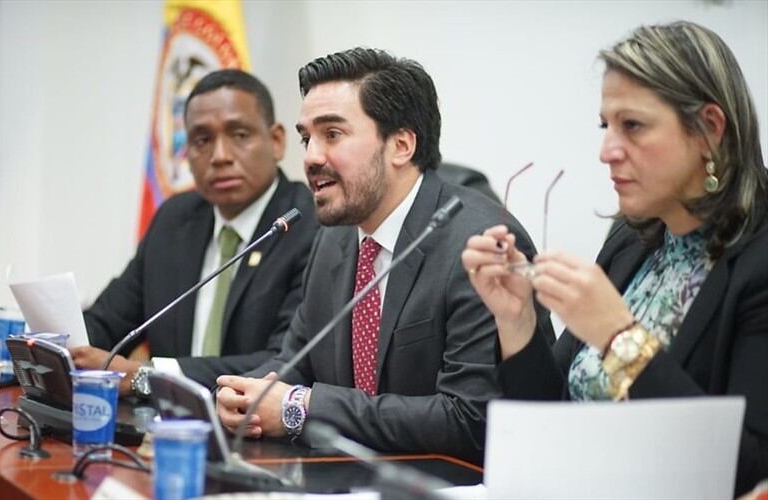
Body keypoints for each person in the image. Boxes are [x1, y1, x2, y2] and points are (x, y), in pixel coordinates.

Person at [461, 21, 767, 495]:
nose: (606, 151)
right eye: (607, 126)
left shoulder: (759, 259)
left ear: (709, 129)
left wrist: (619, 339)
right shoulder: (632, 237)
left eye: (633, 126)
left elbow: (749, 469)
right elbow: (552, 419)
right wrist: (517, 319)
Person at [215, 48, 553, 463]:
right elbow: (298, 358)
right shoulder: (335, 237)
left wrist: (299, 407)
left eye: (332, 134)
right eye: (307, 138)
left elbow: (469, 417)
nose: (310, 157)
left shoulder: (478, 245)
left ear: (401, 145)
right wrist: (248, 394)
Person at [72, 70, 318, 393]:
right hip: (165, 429)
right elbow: (107, 323)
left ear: (276, 141)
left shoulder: (310, 225)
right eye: (202, 140)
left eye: (240, 135)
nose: (220, 157)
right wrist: (58, 344)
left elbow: (283, 361)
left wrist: (149, 375)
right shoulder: (175, 220)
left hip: (256, 431)